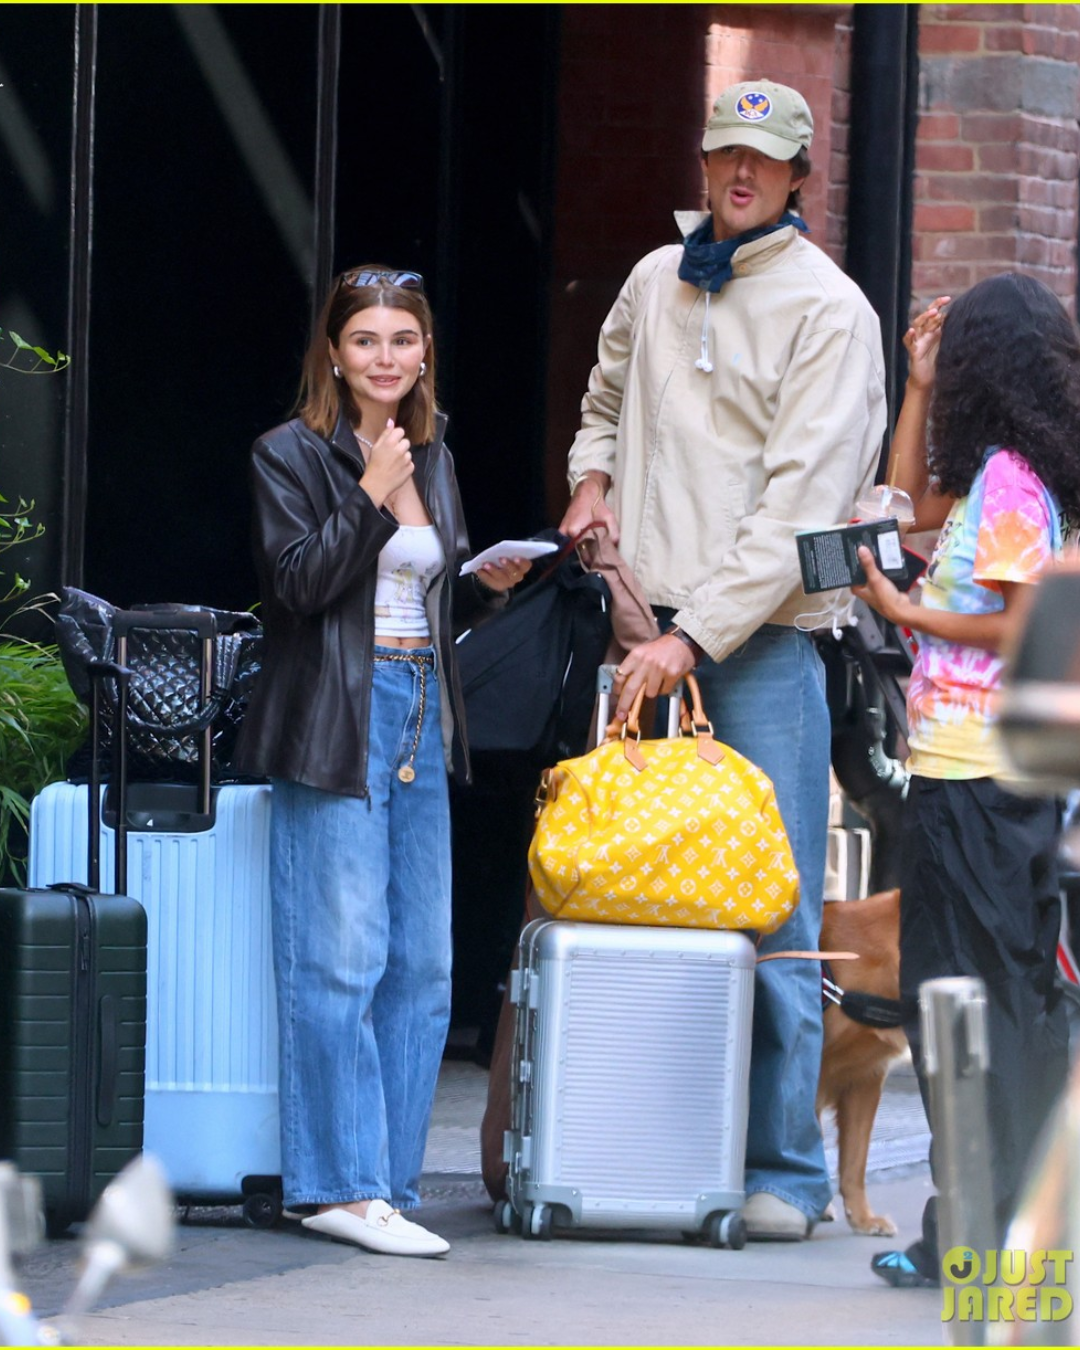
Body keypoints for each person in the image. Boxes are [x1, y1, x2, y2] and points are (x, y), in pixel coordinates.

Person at [559, 79, 887, 1240]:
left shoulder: (831, 312)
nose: (741, 173)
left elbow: (801, 512)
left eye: (765, 158)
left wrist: (689, 638)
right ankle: (638, 1146)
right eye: (725, 154)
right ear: (703, 163)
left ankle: (786, 1174)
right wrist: (592, 479)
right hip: (640, 632)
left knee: (774, 908)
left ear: (800, 178)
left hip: (755, 649)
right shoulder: (656, 277)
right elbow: (603, 397)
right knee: (629, 896)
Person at [234, 266, 532, 1257]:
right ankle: (338, 1186)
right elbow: (297, 587)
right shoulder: (288, 453)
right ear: (332, 352)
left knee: (424, 966)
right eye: (365, 339)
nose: (385, 357)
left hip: (418, 711)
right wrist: (369, 492)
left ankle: (390, 1184)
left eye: (403, 340)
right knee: (342, 957)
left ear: (425, 351)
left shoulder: (433, 454)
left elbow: (421, 591)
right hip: (335, 717)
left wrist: (483, 583)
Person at [852, 273, 1080, 1287]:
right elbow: (904, 512)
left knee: (984, 1011)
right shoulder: (996, 474)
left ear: (987, 362)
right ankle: (968, 1230)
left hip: (986, 783)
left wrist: (909, 616)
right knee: (957, 1007)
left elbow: (1022, 624)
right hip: (963, 778)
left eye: (956, 354)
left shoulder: (1016, 483)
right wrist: (915, 386)